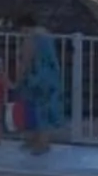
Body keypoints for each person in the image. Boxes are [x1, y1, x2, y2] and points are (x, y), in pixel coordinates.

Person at [16, 15, 67, 156]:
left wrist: (19, 79)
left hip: (37, 78)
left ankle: (40, 143)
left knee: (37, 110)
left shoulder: (31, 38)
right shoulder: (47, 35)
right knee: (46, 109)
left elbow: (26, 61)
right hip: (51, 76)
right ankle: (40, 141)